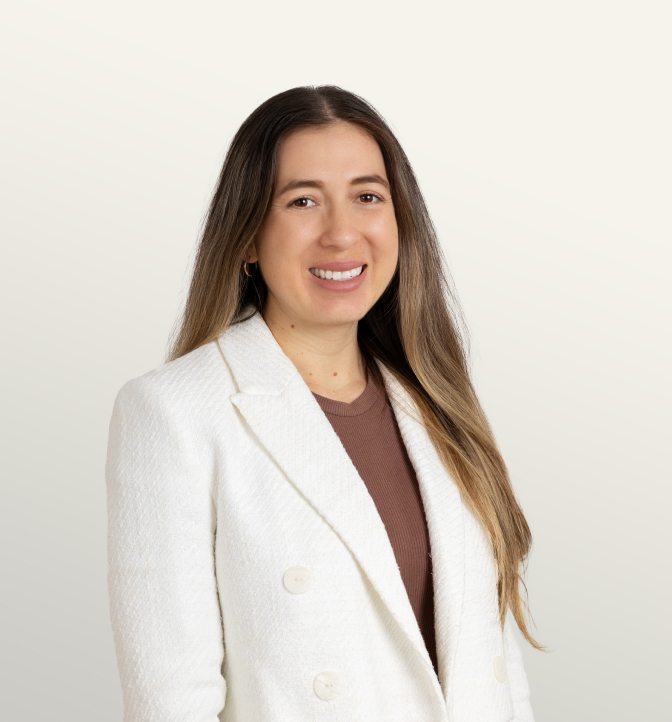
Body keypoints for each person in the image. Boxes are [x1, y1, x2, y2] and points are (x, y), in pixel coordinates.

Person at [106, 85, 539, 722]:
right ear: (248, 236)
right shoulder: (175, 413)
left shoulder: (441, 406)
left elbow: (499, 681)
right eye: (303, 201)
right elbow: (172, 703)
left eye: (368, 197)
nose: (341, 233)